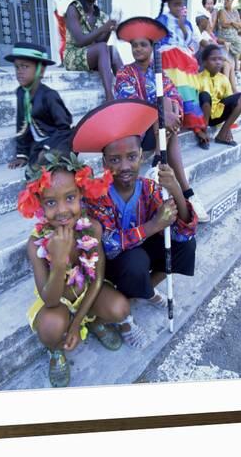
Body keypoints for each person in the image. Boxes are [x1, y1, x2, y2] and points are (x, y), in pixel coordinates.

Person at [18, 152, 149, 388]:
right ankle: (56, 351)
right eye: (50, 202)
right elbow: (49, 299)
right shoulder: (35, 243)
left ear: (81, 195)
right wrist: (58, 262)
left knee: (120, 308)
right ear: (39, 204)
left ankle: (92, 320)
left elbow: (97, 279)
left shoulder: (92, 229)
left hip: (88, 292)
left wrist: (77, 323)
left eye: (70, 198)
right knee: (50, 329)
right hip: (58, 302)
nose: (61, 210)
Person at [72, 100, 197, 321]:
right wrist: (153, 226)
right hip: (113, 264)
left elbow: (182, 232)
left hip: (141, 248)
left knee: (185, 245)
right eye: (114, 160)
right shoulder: (97, 194)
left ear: (141, 155)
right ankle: (145, 293)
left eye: (131, 157)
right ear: (104, 162)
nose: (124, 166)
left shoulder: (149, 188)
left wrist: (176, 190)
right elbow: (109, 246)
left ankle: (144, 289)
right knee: (135, 261)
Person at [114, 16, 209, 222]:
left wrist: (171, 114)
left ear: (152, 47)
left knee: (167, 104)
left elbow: (176, 100)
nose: (138, 49)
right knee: (162, 109)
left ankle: (159, 164)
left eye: (142, 45)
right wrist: (162, 113)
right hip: (136, 133)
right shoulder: (124, 73)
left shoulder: (161, 75)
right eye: (134, 46)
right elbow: (129, 106)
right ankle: (187, 192)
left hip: (161, 133)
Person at [155, 0, 209, 149]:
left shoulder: (187, 23)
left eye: (181, 3)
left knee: (188, 90)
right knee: (177, 90)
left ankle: (195, 123)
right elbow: (156, 41)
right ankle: (182, 121)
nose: (179, 7)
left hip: (184, 59)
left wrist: (181, 26)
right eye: (175, 3)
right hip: (168, 59)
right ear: (169, 4)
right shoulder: (162, 20)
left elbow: (188, 42)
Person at [6, 42, 73, 171]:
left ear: (40, 70)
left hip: (58, 140)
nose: (19, 72)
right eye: (17, 67)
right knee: (33, 168)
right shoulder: (21, 93)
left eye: (25, 67)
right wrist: (22, 154)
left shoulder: (49, 95)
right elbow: (22, 124)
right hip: (39, 144)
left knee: (49, 162)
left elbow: (64, 128)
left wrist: (48, 147)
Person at [64, 0, 123, 100]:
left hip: (91, 55)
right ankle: (109, 96)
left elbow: (99, 42)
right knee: (103, 48)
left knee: (112, 50)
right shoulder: (73, 9)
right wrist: (103, 28)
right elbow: (80, 41)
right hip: (73, 55)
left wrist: (109, 29)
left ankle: (127, 89)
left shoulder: (99, 14)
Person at [198, 44, 241, 146]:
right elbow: (194, 106)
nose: (218, 62)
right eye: (213, 59)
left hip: (217, 116)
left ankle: (222, 134)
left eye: (220, 59)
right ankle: (203, 132)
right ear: (205, 62)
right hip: (202, 117)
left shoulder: (223, 79)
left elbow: (229, 101)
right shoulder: (198, 79)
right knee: (204, 95)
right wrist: (197, 129)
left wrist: (228, 127)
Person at [195, 11, 238, 92]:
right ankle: (223, 89)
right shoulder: (200, 34)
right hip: (201, 60)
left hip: (207, 57)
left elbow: (214, 42)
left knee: (229, 64)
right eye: (208, 20)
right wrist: (222, 58)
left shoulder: (205, 33)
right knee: (226, 64)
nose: (209, 23)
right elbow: (210, 47)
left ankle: (233, 89)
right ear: (202, 21)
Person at [217, 0, 241, 76]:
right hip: (225, 36)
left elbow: (240, 25)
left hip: (234, 36)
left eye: (227, 0)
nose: (225, 2)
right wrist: (233, 23)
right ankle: (237, 71)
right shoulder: (221, 11)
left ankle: (239, 72)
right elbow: (224, 23)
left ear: (232, 0)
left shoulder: (235, 12)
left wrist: (233, 23)